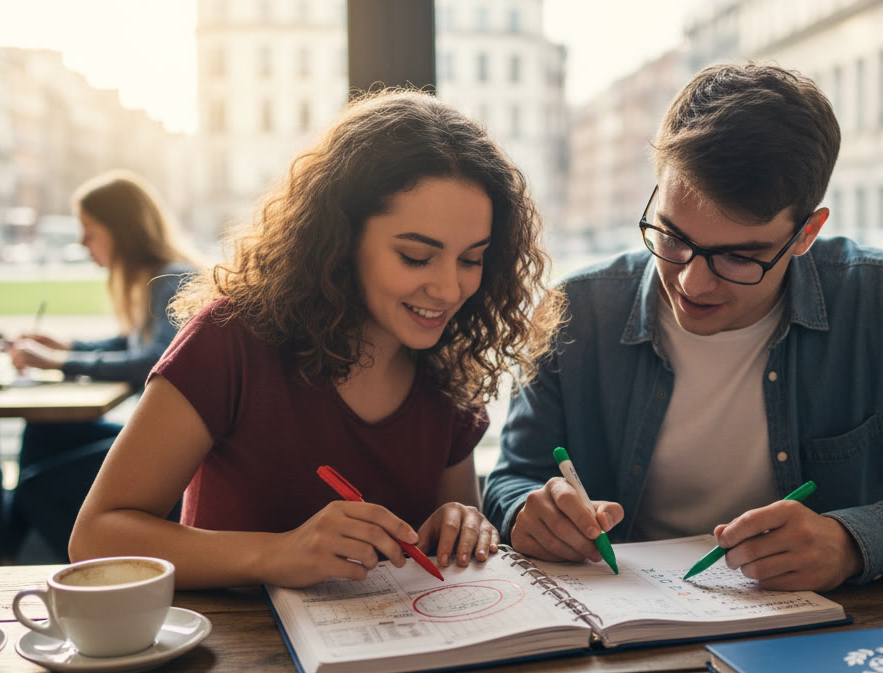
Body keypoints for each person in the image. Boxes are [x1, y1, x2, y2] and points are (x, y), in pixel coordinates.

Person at [484, 64, 883, 592]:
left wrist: (854, 541)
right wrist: (526, 511)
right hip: (625, 628)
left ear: (806, 233)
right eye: (672, 237)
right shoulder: (575, 310)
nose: (692, 284)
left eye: (739, 256)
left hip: (824, 639)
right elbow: (512, 480)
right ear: (655, 195)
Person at [69, 90, 561, 589]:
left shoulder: (449, 364)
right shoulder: (230, 341)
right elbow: (94, 537)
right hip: (237, 653)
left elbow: (442, 539)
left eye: (472, 259)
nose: (450, 288)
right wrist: (277, 553)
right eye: (416, 256)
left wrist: (462, 522)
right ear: (340, 238)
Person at [6, 171, 199, 559]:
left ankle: (92, 575)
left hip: (186, 451)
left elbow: (153, 360)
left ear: (121, 230)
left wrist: (61, 361)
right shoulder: (157, 278)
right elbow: (130, 343)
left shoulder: (174, 279)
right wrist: (68, 346)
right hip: (161, 436)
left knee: (34, 487)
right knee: (42, 430)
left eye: (89, 229)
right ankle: (6, 554)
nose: (82, 242)